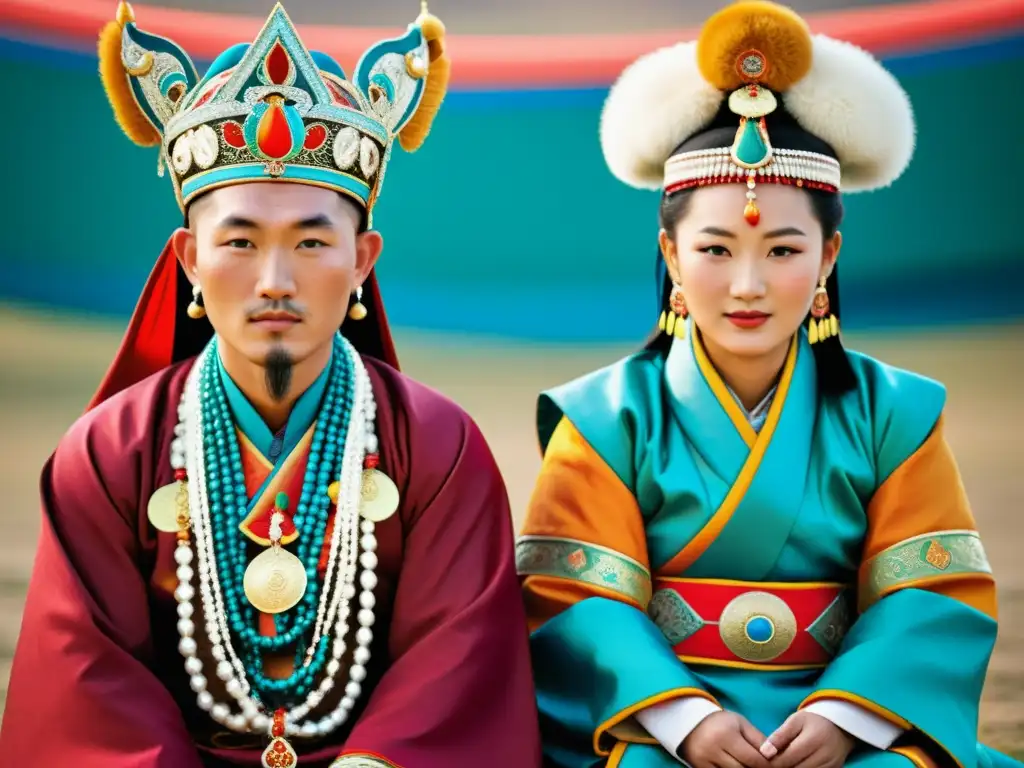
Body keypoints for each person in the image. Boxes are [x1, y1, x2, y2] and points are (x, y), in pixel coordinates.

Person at [0, 3, 541, 766]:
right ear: (189, 259)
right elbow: (85, 687)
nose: (275, 280)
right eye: (241, 242)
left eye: (313, 241)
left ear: (362, 260)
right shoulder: (108, 453)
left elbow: (455, 674)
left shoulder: (441, 449)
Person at [515, 3, 1021, 768]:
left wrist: (851, 714)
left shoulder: (896, 415)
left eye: (783, 249)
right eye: (715, 248)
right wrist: (687, 719)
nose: (747, 285)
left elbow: (928, 596)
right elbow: (578, 607)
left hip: (846, 720)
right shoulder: (604, 419)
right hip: (659, 721)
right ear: (672, 254)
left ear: (828, 256)